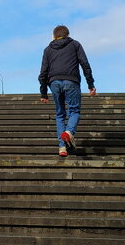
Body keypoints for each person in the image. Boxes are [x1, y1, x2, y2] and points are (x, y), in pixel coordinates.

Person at [38, 25, 96, 157]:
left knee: (60, 114)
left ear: (54, 36)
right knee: (74, 111)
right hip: (71, 81)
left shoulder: (48, 50)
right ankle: (69, 132)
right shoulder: (75, 45)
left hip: (54, 83)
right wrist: (90, 84)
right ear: (67, 34)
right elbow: (85, 64)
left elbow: (43, 72)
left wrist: (43, 93)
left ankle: (62, 147)